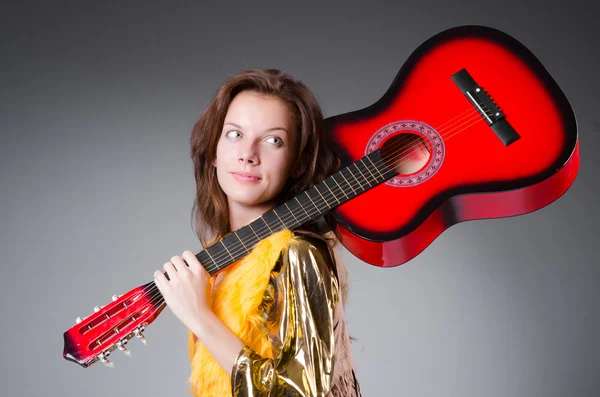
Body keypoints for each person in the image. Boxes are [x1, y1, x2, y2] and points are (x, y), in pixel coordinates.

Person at [153, 69, 361, 397]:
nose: (248, 154)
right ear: (213, 152)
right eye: (235, 134)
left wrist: (201, 318)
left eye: (272, 140)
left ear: (296, 163)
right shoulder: (221, 262)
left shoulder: (295, 253)